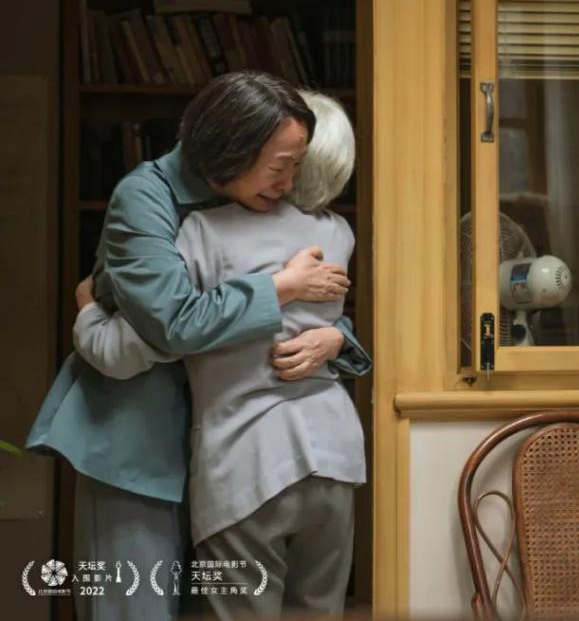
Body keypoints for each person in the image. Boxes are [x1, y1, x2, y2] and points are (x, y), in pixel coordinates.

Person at [26, 73, 370, 621]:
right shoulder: (145, 198)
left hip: (231, 449)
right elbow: (171, 324)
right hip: (140, 444)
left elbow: (313, 311)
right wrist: (282, 286)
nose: (290, 184)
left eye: (297, 166)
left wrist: (336, 338)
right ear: (232, 150)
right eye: (281, 166)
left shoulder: (256, 202)